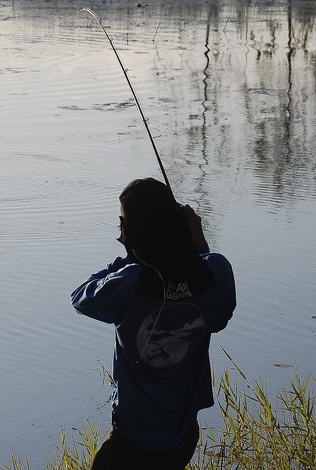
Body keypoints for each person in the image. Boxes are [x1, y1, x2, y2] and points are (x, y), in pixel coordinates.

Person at [71, 177, 236, 470]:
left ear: (131, 232)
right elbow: (219, 316)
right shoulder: (216, 271)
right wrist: (196, 245)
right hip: (182, 436)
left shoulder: (129, 283)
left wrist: (131, 258)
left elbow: (81, 296)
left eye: (123, 224)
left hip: (131, 440)